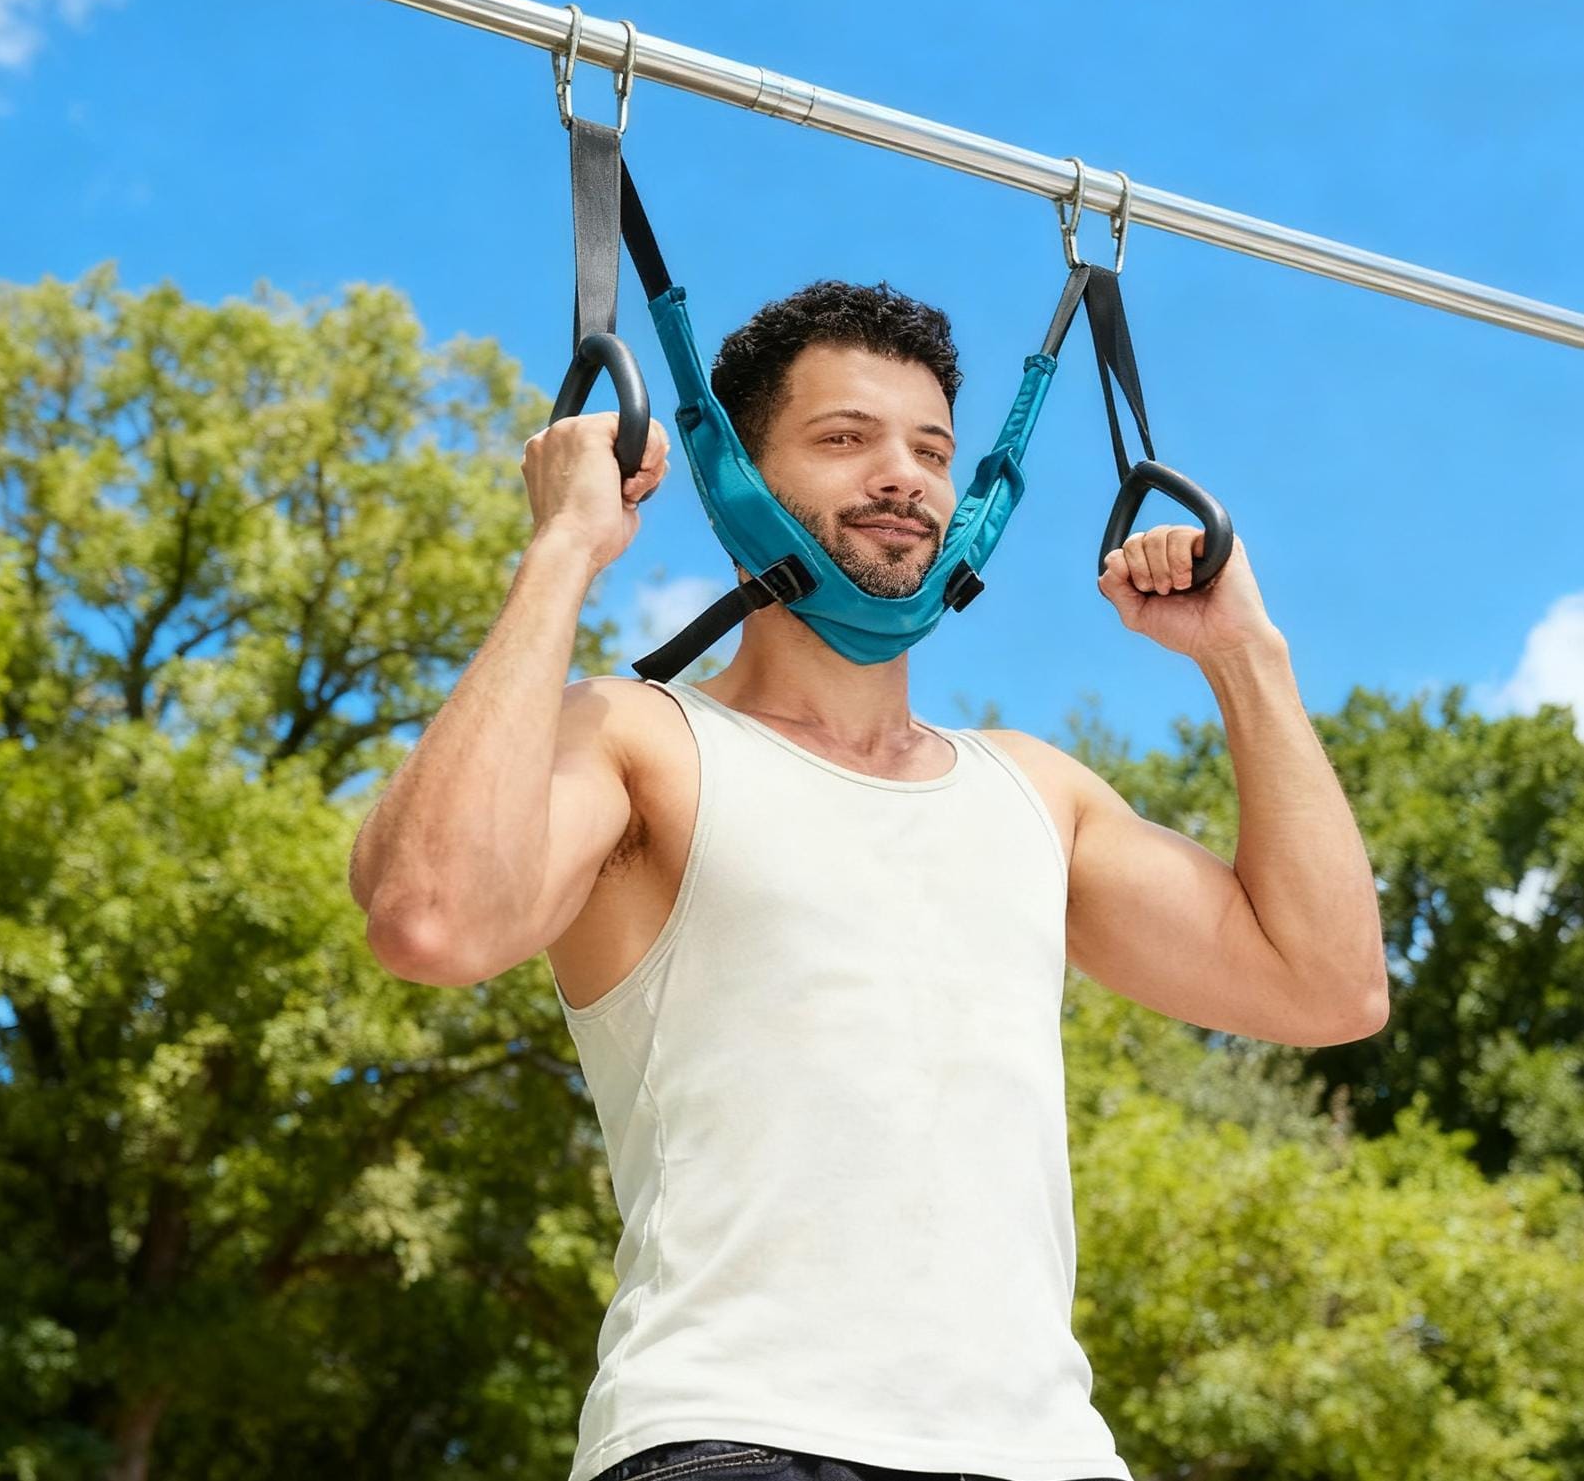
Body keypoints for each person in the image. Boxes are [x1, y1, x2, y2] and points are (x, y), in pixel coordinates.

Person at [351, 280, 1389, 1481]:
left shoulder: (1035, 791)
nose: (903, 475)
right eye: (844, 438)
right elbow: (427, 915)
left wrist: (1242, 655)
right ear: (734, 477)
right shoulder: (640, 741)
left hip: (1047, 1454)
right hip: (733, 1434)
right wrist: (564, 548)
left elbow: (1329, 988)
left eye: (931, 449)